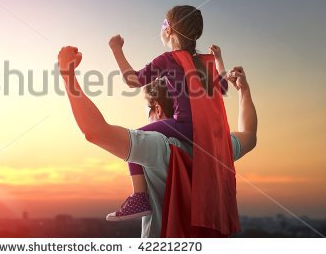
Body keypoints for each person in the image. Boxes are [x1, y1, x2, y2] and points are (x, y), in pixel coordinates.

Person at [58, 46, 257, 237]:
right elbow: (249, 134)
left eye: (148, 111)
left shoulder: (158, 147)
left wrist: (67, 74)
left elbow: (96, 131)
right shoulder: (219, 146)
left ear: (158, 109)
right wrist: (243, 90)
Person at [107, 5, 228, 220]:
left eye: (164, 24)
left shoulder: (169, 59)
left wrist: (116, 49)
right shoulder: (205, 62)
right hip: (210, 131)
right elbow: (223, 88)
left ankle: (139, 196)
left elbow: (132, 80)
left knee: (133, 139)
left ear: (169, 30)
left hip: (185, 126)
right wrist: (218, 60)